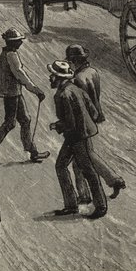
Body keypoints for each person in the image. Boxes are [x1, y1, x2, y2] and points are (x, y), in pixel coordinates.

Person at [47, 60, 108, 219]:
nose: (50, 78)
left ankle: (99, 207)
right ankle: (72, 205)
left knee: (85, 170)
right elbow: (93, 112)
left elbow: (70, 122)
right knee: (64, 166)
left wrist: (58, 125)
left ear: (59, 78)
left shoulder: (62, 95)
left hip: (76, 136)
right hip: (82, 134)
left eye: (52, 75)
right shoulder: (76, 89)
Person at [66, 45, 125, 199]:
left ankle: (90, 192)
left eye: (71, 62)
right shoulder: (93, 72)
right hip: (94, 116)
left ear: (74, 61)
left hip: (83, 122)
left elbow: (80, 104)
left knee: (81, 158)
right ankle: (110, 181)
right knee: (86, 155)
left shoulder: (77, 79)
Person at [0, 28, 49, 163]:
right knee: (10, 123)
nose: (21, 43)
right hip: (12, 94)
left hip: (15, 93)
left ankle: (32, 151)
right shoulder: (11, 55)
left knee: (25, 119)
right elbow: (20, 75)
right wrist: (35, 90)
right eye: (18, 41)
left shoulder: (6, 53)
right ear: (12, 42)